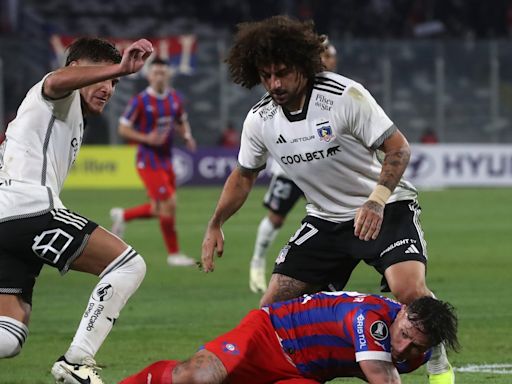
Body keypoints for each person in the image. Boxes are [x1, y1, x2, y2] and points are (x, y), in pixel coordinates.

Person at [201, 16, 454, 383]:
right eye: (266, 75)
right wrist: (215, 223)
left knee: (410, 291)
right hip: (324, 219)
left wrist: (377, 199)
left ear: (303, 66)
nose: (274, 83)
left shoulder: (345, 96)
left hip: (385, 207)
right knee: (271, 313)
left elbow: (398, 149)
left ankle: (438, 362)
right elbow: (243, 175)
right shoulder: (260, 119)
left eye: (283, 73)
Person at [0, 37, 153, 384]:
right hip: (29, 209)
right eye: (102, 76)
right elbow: (55, 81)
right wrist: (120, 66)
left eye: (115, 82)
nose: (110, 87)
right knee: (128, 264)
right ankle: (76, 361)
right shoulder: (56, 95)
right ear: (76, 69)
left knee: (9, 337)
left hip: (6, 221)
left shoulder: (66, 118)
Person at [120, 292, 459, 384]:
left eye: (416, 345)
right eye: (403, 335)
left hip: (304, 374)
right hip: (269, 335)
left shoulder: (417, 354)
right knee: (198, 377)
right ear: (400, 311)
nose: (403, 348)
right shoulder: (370, 321)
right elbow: (382, 378)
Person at [249, 35, 338, 293]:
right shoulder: (293, 87)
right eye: (323, 55)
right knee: (275, 218)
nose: (327, 60)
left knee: (342, 219)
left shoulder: (337, 92)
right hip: (292, 170)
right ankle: (256, 262)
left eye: (330, 56)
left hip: (325, 172)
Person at [110, 57, 197, 267]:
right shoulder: (140, 101)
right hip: (148, 161)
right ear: (149, 75)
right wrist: (146, 138)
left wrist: (187, 135)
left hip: (166, 159)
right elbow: (123, 128)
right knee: (169, 204)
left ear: (168, 75)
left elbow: (180, 120)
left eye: (162, 72)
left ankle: (123, 215)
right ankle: (174, 254)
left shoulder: (174, 98)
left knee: (162, 208)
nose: (159, 76)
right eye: (155, 72)